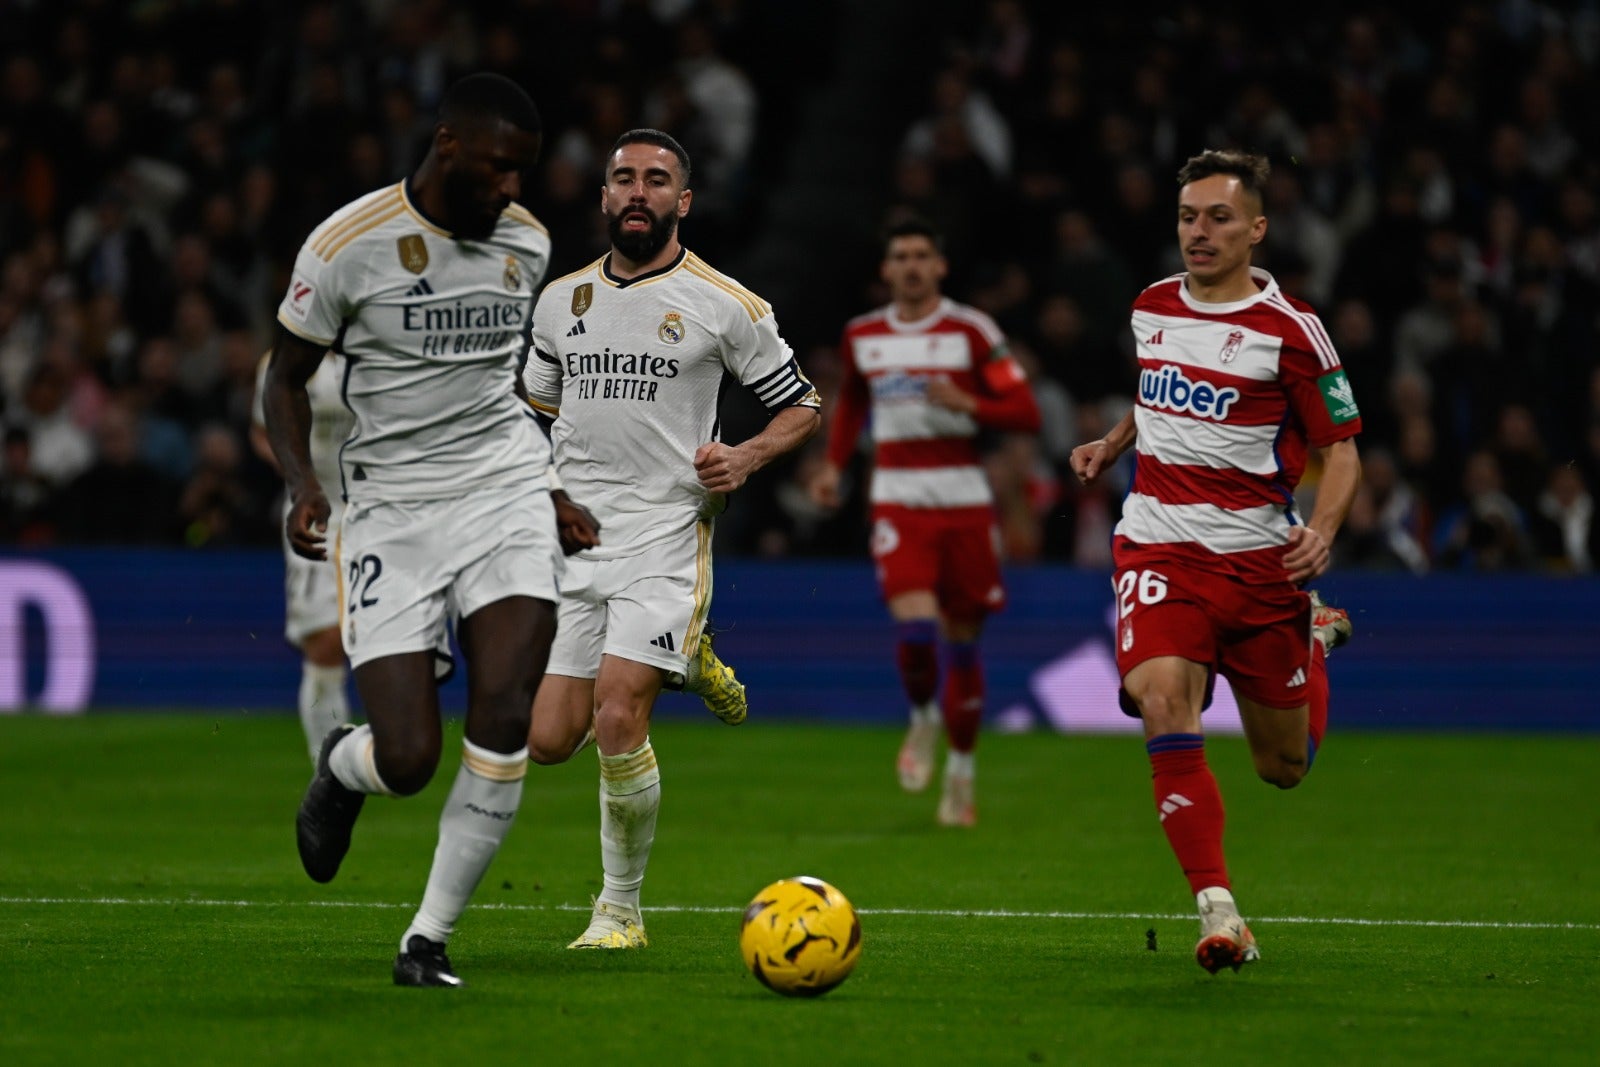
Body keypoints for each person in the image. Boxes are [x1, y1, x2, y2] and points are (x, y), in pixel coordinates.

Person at [264, 73, 591, 988]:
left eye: (522, 172)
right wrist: (301, 482)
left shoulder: (527, 242)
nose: (512, 190)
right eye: (498, 168)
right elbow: (283, 378)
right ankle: (343, 763)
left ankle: (427, 939)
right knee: (407, 758)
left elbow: (498, 388)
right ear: (449, 145)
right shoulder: (347, 248)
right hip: (391, 511)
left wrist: (552, 485)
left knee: (505, 705)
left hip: (502, 487)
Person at [522, 129, 820, 949]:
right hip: (577, 546)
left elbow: (802, 404)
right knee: (548, 740)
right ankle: (691, 656)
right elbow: (538, 411)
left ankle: (620, 910)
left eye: (657, 180)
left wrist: (750, 454)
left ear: (682, 201)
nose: (639, 192)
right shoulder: (560, 302)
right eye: (624, 178)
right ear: (606, 196)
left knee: (619, 715)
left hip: (664, 532)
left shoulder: (726, 304)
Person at [1069, 149, 1359, 974]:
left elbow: (1343, 450)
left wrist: (1323, 531)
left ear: (1256, 230)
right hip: (1159, 543)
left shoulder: (1292, 331)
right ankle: (1219, 909)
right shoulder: (1152, 305)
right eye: (1191, 216)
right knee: (1164, 697)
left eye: (1220, 217)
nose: (1200, 232)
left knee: (1284, 768)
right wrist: (1115, 439)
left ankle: (1311, 634)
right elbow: (1155, 388)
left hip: (1260, 563)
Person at [808, 217, 1041, 827]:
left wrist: (973, 404)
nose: (911, 265)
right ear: (886, 270)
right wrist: (834, 466)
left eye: (921, 255)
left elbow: (1024, 409)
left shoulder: (969, 330)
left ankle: (961, 772)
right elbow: (854, 400)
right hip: (898, 498)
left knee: (962, 641)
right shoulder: (863, 336)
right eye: (900, 256)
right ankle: (921, 720)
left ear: (939, 266)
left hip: (964, 499)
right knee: (916, 631)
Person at [250, 347, 355, 763]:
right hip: (315, 505)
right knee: (325, 639)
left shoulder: (383, 338)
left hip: (380, 503)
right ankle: (327, 767)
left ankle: (385, 755)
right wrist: (298, 472)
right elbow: (261, 429)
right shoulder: (285, 359)